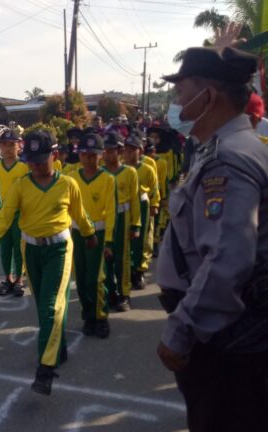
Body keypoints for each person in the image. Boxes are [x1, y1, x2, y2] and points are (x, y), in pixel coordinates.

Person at [156, 45, 268, 432]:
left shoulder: (229, 159)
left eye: (181, 90)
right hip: (226, 334)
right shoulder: (223, 149)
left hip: (224, 340)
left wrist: (181, 329)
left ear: (209, 95)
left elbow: (227, 259)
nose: (177, 101)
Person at [0, 130, 96, 396]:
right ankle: (58, 345)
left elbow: (80, 214)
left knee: (52, 305)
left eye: (42, 160)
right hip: (32, 251)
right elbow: (5, 217)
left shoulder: (67, 184)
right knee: (45, 306)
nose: (36, 166)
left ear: (54, 156)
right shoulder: (21, 185)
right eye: (31, 160)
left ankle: (45, 368)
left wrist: (89, 234)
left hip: (60, 250)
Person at [65, 133, 115, 338]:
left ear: (100, 156)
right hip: (77, 232)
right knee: (82, 277)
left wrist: (109, 241)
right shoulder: (72, 178)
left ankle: (101, 317)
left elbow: (111, 212)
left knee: (97, 278)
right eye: (84, 154)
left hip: (99, 232)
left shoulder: (107, 179)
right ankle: (88, 316)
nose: (88, 158)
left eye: (93, 155)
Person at [101, 132, 141, 312]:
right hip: (104, 219)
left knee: (122, 258)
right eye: (105, 150)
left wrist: (136, 224)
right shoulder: (99, 173)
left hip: (123, 218)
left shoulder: (130, 172)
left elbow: (134, 200)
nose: (108, 154)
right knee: (106, 258)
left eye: (112, 150)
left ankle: (124, 294)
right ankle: (110, 293)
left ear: (120, 151)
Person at [0, 129, 28, 297]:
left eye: (12, 145)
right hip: (1, 215)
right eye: (4, 145)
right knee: (5, 249)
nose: (8, 149)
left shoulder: (24, 168)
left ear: (19, 146)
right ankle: (8, 278)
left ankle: (19, 280)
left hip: (19, 215)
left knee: (19, 248)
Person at [123, 134, 159, 294]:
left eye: (133, 150)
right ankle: (128, 269)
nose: (129, 153)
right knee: (127, 237)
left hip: (143, 204)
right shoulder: (121, 168)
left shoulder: (147, 169)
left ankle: (140, 270)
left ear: (140, 151)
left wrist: (155, 205)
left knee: (143, 239)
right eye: (127, 150)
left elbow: (154, 189)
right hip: (126, 206)